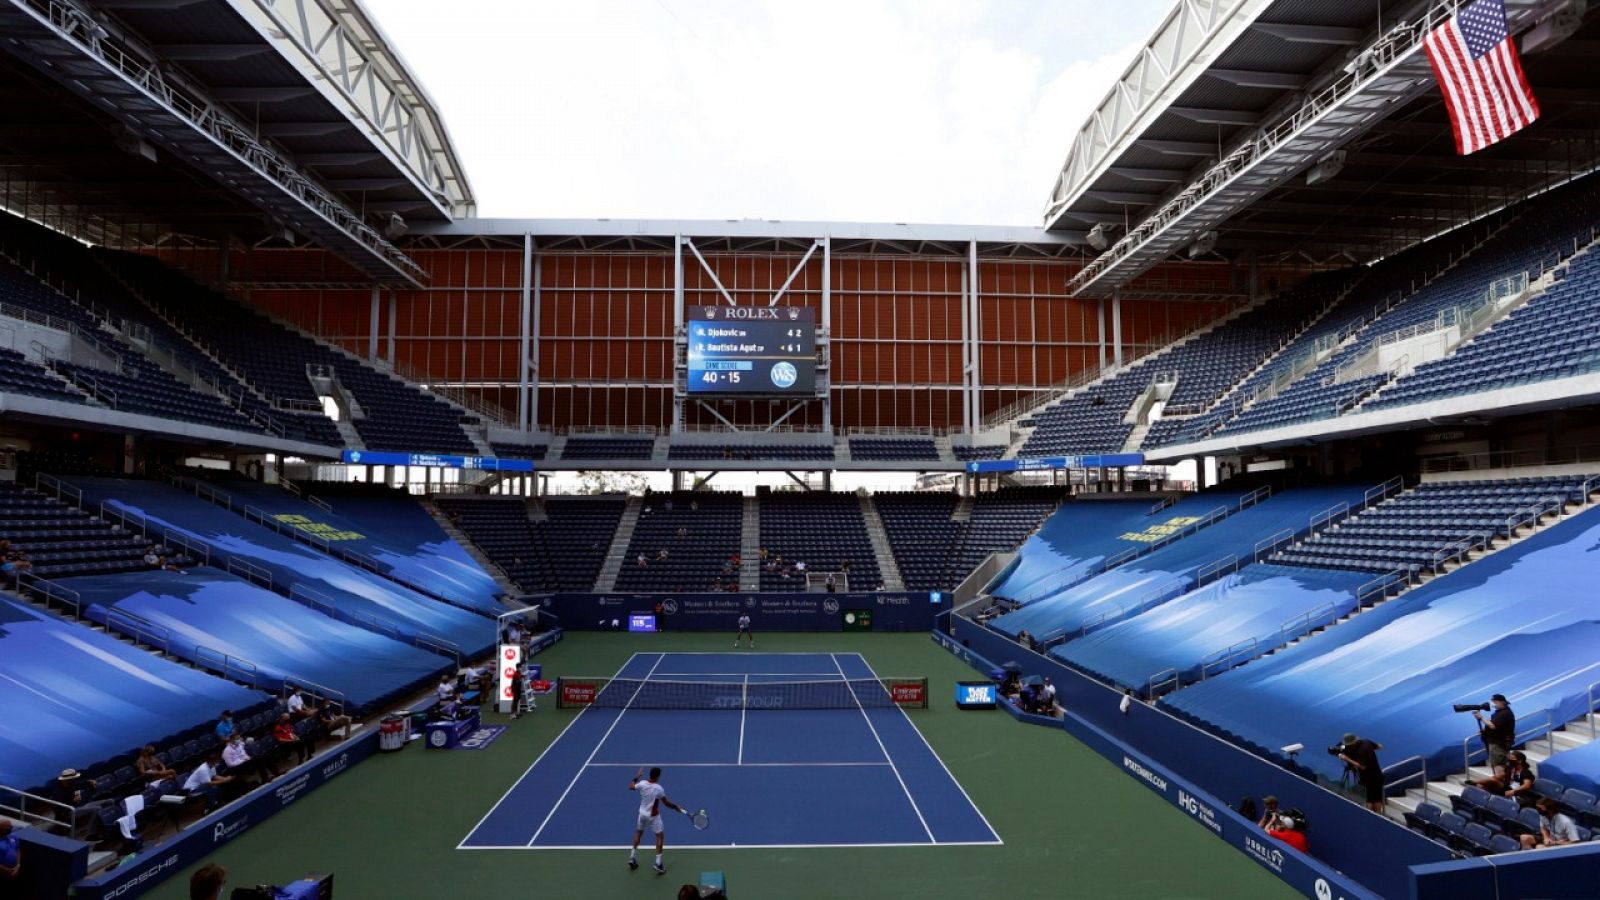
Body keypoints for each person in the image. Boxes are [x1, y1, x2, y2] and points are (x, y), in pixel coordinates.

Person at [628, 767, 687, 875]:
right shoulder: (658, 788)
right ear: (657, 776)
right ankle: (658, 864)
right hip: (652, 816)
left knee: (638, 833)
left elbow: (631, 786)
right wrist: (675, 807)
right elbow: (666, 803)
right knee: (660, 836)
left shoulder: (642, 783)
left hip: (642, 814)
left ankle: (632, 857)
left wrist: (637, 776)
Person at [1337, 733, 1386, 813]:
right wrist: (1370, 753)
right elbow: (1380, 746)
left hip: (1368, 777)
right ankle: (1378, 816)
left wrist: (1346, 758)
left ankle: (1370, 816)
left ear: (1352, 744)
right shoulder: (1367, 742)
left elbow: (1362, 766)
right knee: (1377, 798)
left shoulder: (1361, 752)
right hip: (1378, 775)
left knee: (1370, 799)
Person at [1474, 694, 1515, 772]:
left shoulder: (1505, 713)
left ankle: (1501, 782)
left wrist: (1481, 718)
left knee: (1498, 765)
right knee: (1495, 765)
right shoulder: (1498, 712)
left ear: (1502, 702)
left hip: (1499, 744)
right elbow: (1494, 725)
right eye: (1492, 702)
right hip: (1493, 742)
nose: (1493, 704)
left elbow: (1493, 726)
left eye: (1495, 702)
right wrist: (1485, 730)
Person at [0, 818, 20, 895]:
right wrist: (7, 871)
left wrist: (18, 865)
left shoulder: (14, 837)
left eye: (11, 827)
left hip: (13, 872)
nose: (10, 829)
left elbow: (17, 850)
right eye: (8, 828)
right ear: (1, 829)